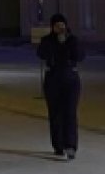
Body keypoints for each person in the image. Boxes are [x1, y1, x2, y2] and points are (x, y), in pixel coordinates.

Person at [36, 12, 86, 160]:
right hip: (53, 81)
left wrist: (68, 43)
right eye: (57, 26)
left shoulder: (72, 40)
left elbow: (80, 56)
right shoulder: (47, 40)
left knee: (70, 113)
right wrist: (55, 44)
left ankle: (70, 145)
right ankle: (58, 145)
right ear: (52, 27)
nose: (60, 28)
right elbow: (41, 54)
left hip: (70, 81)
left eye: (62, 25)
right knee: (55, 114)